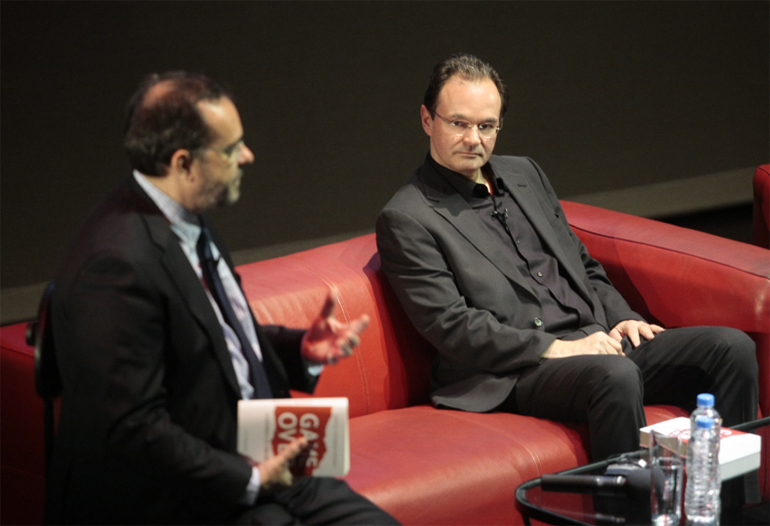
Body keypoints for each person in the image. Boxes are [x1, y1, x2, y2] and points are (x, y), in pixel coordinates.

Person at [376, 53, 759, 501]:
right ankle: (627, 515)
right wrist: (559, 348)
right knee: (614, 375)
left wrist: (621, 316)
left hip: (596, 342)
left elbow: (580, 261)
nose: (473, 139)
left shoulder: (524, 174)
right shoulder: (408, 217)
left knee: (731, 349)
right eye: (458, 123)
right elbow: (452, 327)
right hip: (516, 369)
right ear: (427, 120)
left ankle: (732, 509)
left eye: (486, 126)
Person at [45, 71, 398, 525]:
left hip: (255, 463)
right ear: (184, 164)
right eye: (231, 149)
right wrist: (249, 479)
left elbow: (211, 340)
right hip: (186, 496)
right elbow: (131, 428)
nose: (247, 156)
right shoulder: (115, 264)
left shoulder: (187, 215)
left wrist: (301, 349)